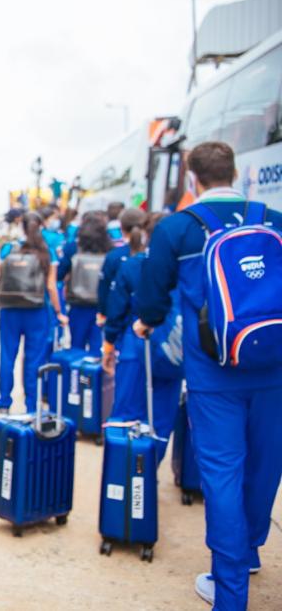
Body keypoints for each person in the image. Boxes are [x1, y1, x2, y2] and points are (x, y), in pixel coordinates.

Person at [134, 142, 282, 610]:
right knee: (265, 466)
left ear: (191, 178)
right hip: (275, 365)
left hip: (213, 372)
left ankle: (230, 590)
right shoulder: (273, 218)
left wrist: (145, 323)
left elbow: (153, 298)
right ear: (236, 172)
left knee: (222, 473)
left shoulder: (177, 228)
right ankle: (250, 548)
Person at [101, 212, 181, 462]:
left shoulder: (132, 265)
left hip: (136, 344)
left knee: (126, 414)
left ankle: (125, 476)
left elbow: (116, 311)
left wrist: (108, 347)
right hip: (173, 347)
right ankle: (146, 476)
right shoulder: (184, 267)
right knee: (161, 418)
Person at [0, 212, 68, 414]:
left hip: (9, 310)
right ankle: (31, 405)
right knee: (34, 359)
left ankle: (4, 403)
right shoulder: (47, 253)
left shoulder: (8, 249)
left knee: (7, 356)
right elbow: (52, 286)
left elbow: (1, 276)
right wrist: (58, 311)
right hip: (37, 311)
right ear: (41, 226)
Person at [57, 211, 111, 353]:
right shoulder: (110, 250)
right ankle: (95, 374)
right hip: (102, 306)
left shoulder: (72, 248)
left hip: (78, 304)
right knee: (98, 346)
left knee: (76, 346)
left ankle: (76, 374)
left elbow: (60, 273)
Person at [96, 208, 147, 325]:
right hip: (149, 321)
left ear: (122, 229)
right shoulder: (153, 253)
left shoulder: (114, 256)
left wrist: (103, 313)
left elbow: (104, 288)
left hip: (121, 322)